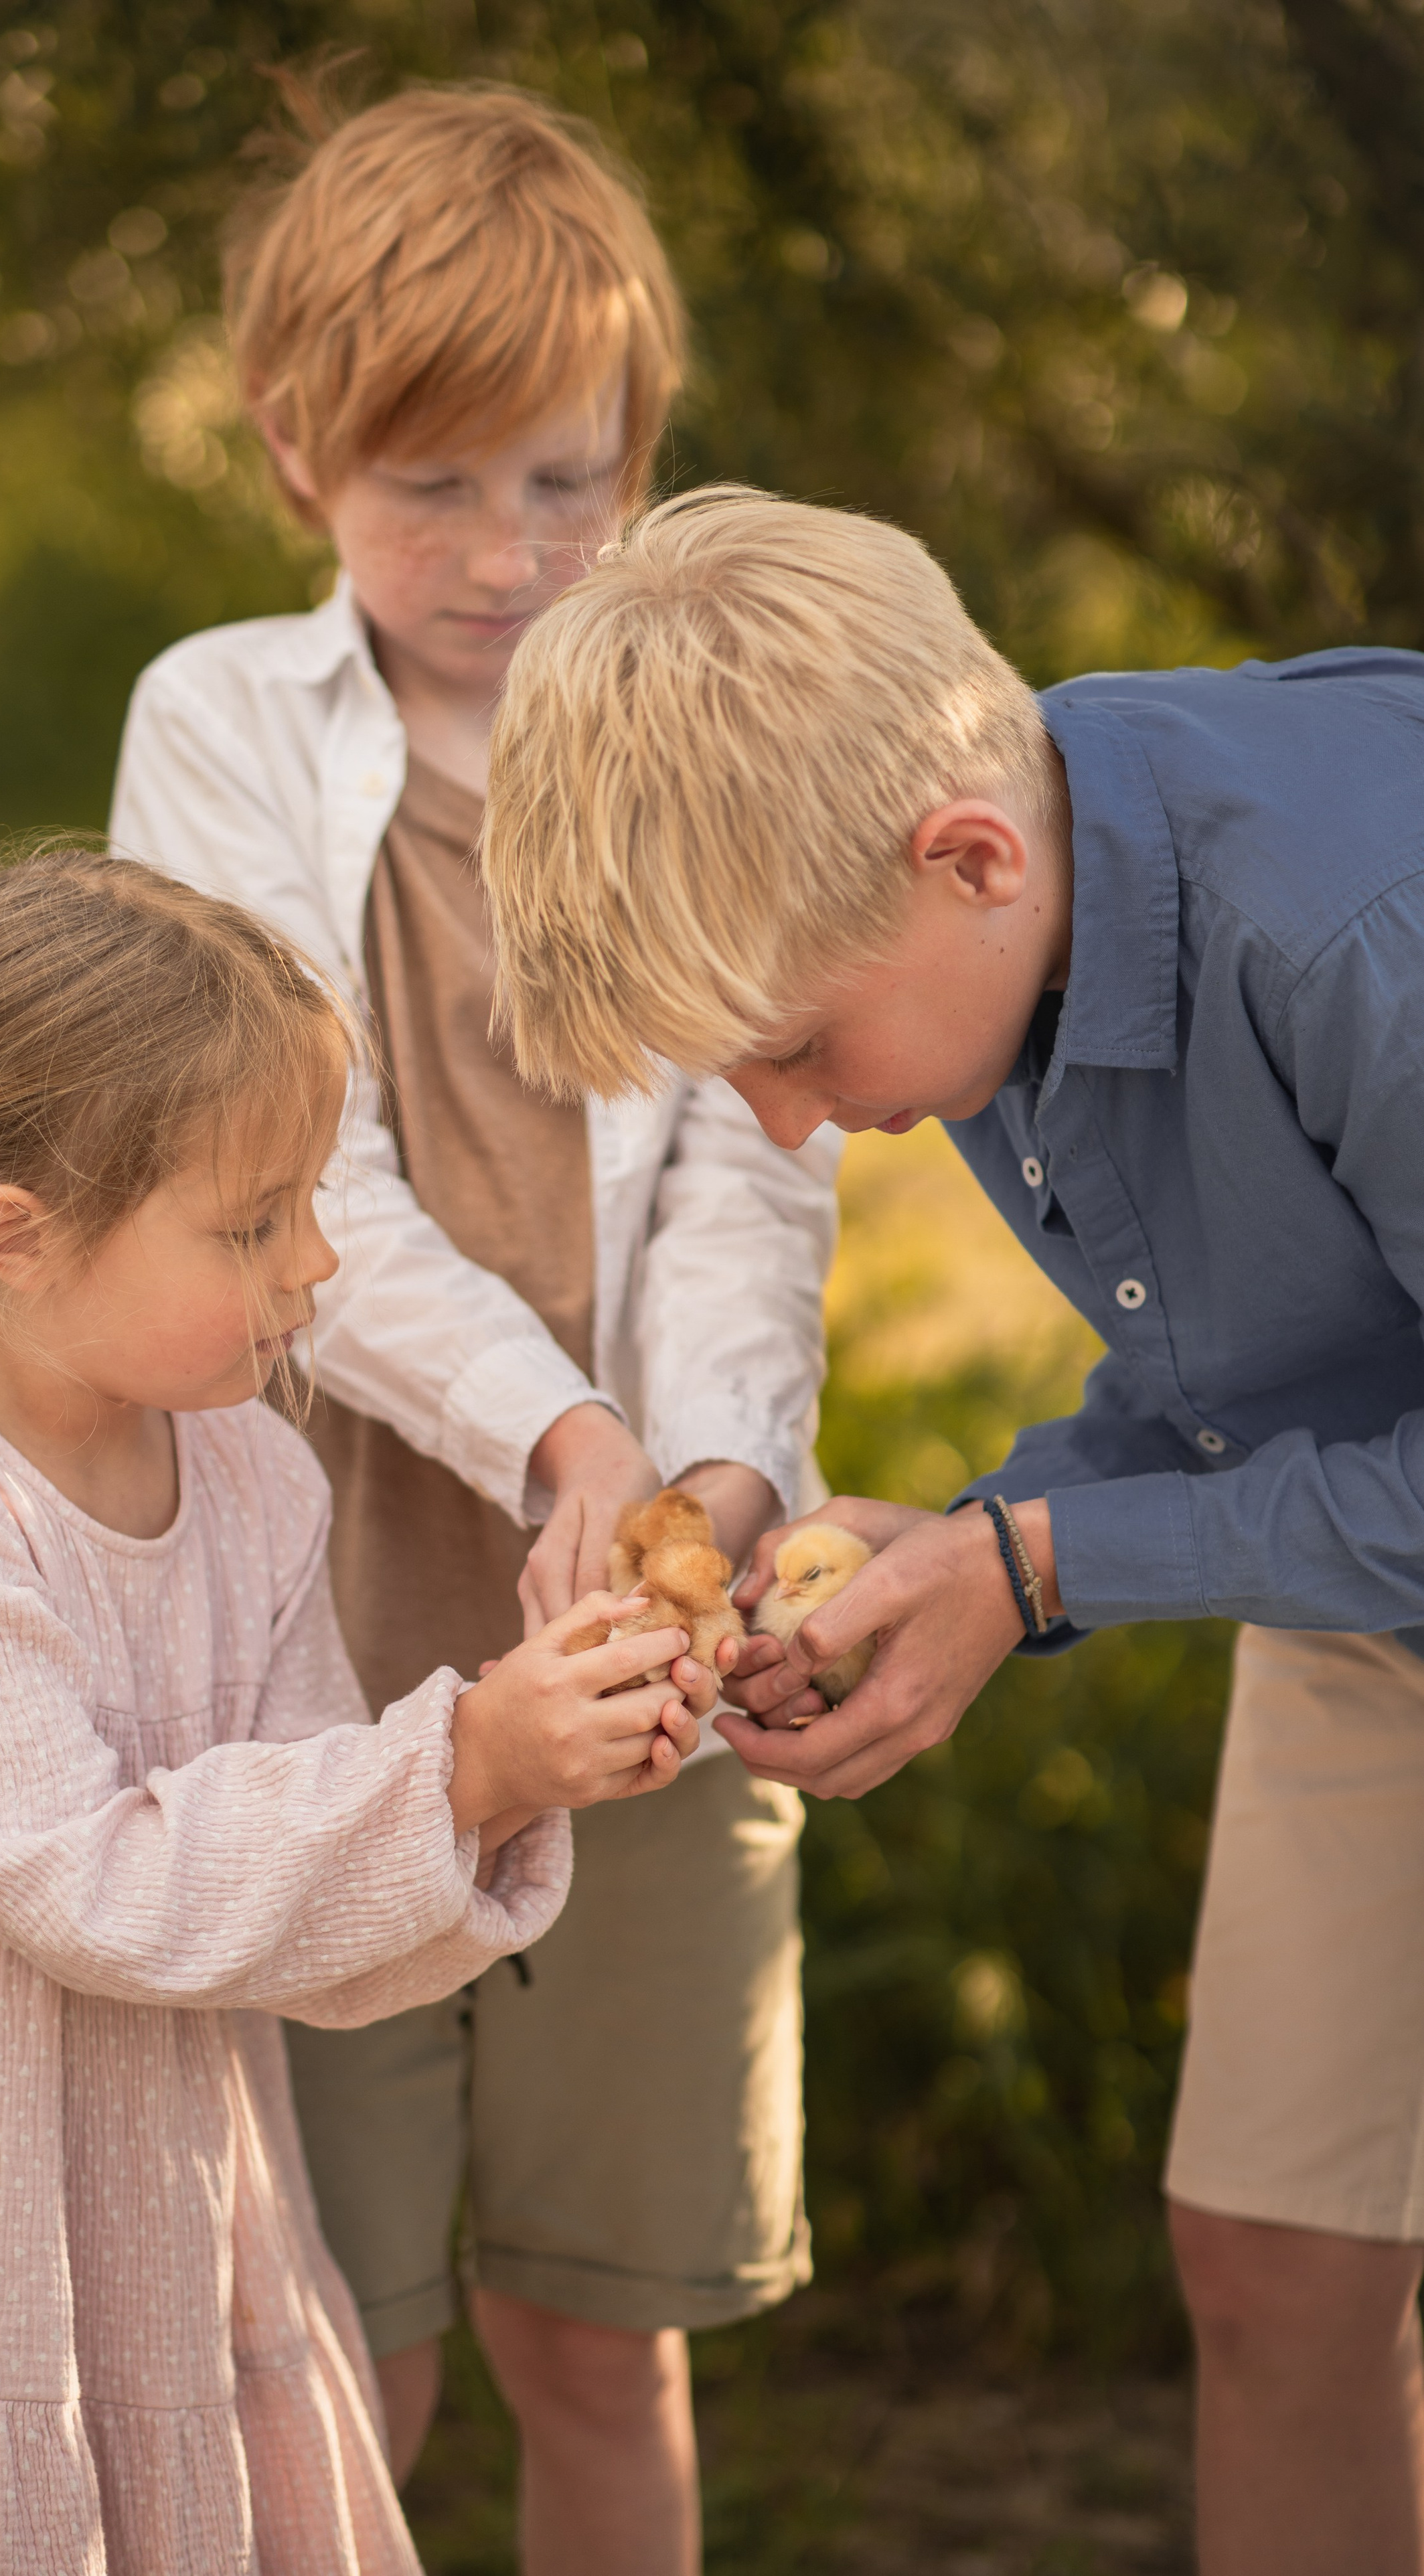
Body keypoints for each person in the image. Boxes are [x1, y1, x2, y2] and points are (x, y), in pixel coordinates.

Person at [478, 483, 1424, 2576]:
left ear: (970, 860)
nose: (795, 1126)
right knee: (1278, 2254)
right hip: (1375, 1567)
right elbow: (1262, 1390)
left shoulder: (1366, 923)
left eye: (799, 1053)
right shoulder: (1013, 918)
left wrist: (1043, 1570)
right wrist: (981, 1540)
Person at [110, 81, 840, 2575]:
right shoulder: (215, 726)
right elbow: (296, 1177)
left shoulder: (708, 755)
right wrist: (566, 1441)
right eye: (437, 489)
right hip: (328, 1650)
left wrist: (707, 1484)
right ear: (300, 441)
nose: (511, 554)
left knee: (592, 2337)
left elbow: (762, 1161)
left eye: (568, 482)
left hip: (642, 1645)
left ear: (641, 452)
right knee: (332, 2340)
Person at [0, 846, 710, 2576]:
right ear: (14, 1239)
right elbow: (98, 1887)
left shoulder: (246, 1470)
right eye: (253, 1223)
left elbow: (294, 1915)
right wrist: (458, 1759)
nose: (315, 1262)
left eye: (312, 1198)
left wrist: (509, 1779)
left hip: (169, 2244)